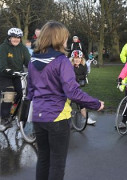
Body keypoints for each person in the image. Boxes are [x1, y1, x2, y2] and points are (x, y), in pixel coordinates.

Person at [27, 21, 104, 180]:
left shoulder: (33, 60)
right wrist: (96, 104)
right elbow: (73, 91)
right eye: (65, 38)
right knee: (57, 162)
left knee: (43, 158)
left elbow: (30, 90)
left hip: (38, 116)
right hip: (57, 117)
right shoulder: (61, 61)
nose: (67, 42)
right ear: (58, 39)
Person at [0, 28, 30, 126]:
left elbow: (28, 61)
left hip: (17, 75)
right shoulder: (4, 47)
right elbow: (2, 64)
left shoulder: (23, 48)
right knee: (9, 93)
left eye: (18, 38)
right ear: (9, 38)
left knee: (22, 93)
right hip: (4, 75)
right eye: (14, 37)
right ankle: (4, 117)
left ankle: (14, 111)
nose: (16, 39)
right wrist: (8, 70)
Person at [70, 50, 96, 125]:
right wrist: (77, 77)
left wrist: (77, 77)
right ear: (72, 59)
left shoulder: (83, 66)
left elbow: (84, 75)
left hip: (76, 87)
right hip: (68, 88)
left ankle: (87, 119)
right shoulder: (69, 66)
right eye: (75, 58)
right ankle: (67, 119)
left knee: (81, 103)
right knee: (68, 103)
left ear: (81, 59)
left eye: (79, 58)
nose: (77, 60)